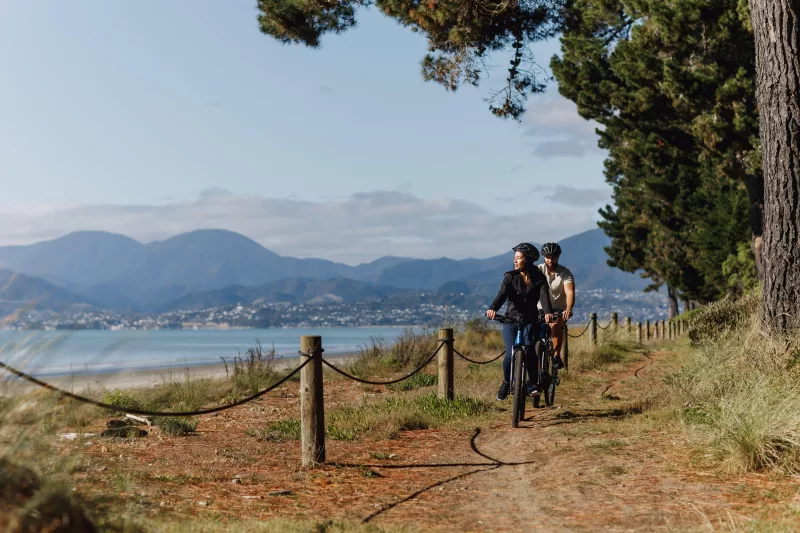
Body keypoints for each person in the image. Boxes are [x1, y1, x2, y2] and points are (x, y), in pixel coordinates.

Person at [486, 243, 553, 401]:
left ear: (528, 260)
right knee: (510, 354)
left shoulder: (539, 278)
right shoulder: (510, 277)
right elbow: (501, 295)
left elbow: (544, 296)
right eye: (514, 258)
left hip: (530, 320)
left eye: (519, 258)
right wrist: (493, 308)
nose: (514, 261)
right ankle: (506, 382)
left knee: (529, 351)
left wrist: (548, 312)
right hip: (511, 320)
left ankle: (532, 383)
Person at [538, 242, 575, 369]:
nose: (550, 260)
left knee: (555, 324)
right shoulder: (538, 270)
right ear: (544, 257)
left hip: (557, 308)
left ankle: (556, 356)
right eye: (548, 257)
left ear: (558, 257)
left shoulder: (565, 273)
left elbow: (569, 291)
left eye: (553, 257)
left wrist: (568, 309)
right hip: (540, 307)